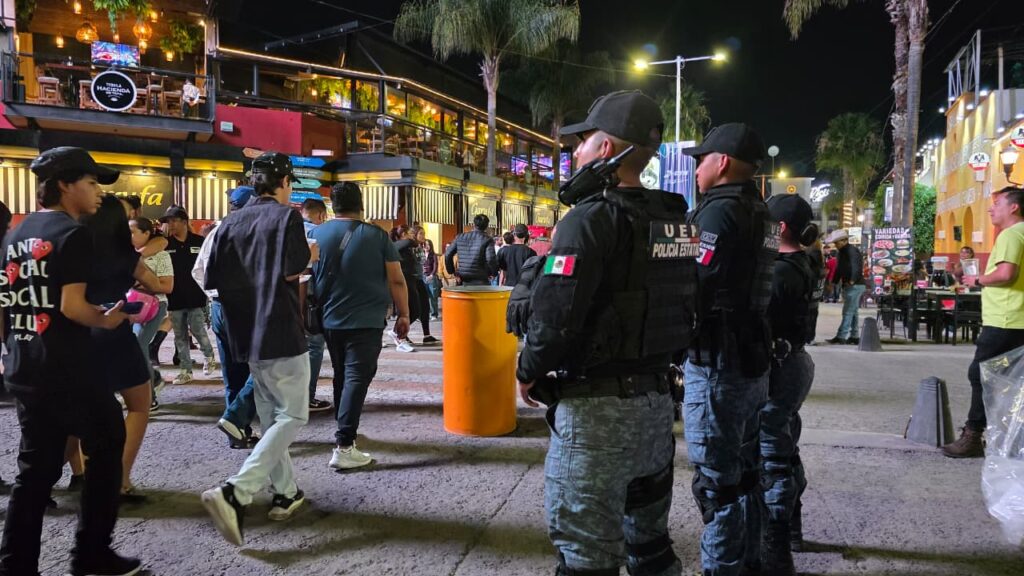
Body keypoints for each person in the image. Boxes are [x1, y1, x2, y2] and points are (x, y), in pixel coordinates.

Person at [517, 90, 694, 576]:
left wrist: (528, 369)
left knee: (586, 559)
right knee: (650, 548)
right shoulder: (673, 218)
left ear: (605, 148)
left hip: (597, 419)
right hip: (657, 409)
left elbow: (555, 316)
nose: (575, 152)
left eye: (583, 141)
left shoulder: (590, 218)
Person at [0, 147, 142, 576]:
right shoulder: (72, 233)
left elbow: (11, 304)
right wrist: (108, 318)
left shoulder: (17, 234)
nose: (99, 192)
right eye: (91, 182)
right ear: (64, 185)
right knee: (108, 444)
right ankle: (91, 553)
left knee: (34, 471)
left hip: (25, 363)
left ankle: (15, 565)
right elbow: (72, 306)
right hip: (68, 368)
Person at [681, 122, 778, 576]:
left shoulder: (718, 213)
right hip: (752, 357)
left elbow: (695, 283)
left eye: (701, 160)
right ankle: (751, 561)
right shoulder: (763, 213)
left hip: (718, 362)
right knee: (747, 472)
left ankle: (722, 568)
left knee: (716, 485)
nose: (697, 169)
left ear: (721, 162)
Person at [200, 152, 313, 544]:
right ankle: (236, 491)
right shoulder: (286, 217)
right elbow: (293, 269)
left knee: (270, 415)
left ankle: (286, 492)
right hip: (279, 326)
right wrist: (310, 256)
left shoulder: (229, 222)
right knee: (293, 415)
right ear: (285, 183)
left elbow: (211, 278)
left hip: (244, 332)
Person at [310, 182, 410, 470]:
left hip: (329, 319)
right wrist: (403, 314)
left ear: (333, 206)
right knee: (357, 376)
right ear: (361, 204)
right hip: (366, 320)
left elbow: (306, 276)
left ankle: (344, 426)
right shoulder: (377, 236)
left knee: (342, 373)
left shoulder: (316, 234)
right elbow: (396, 279)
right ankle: (344, 444)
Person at [84, 195, 164, 503]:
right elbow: (155, 284)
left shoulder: (74, 248)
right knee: (139, 404)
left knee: (87, 406)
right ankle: (119, 479)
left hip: (78, 331)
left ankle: (82, 473)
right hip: (114, 329)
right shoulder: (123, 254)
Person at [759, 194, 819, 574]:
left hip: (780, 367)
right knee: (785, 447)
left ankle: (777, 546)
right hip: (795, 361)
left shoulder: (780, 272)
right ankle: (791, 526)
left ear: (779, 228)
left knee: (773, 458)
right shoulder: (805, 263)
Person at [943, 186, 1024, 458]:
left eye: (998, 204)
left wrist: (977, 279)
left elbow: (1006, 274)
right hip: (1018, 318)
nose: (991, 208)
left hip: (1005, 318)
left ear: (1014, 207)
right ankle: (1011, 438)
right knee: (1012, 378)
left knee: (980, 374)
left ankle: (973, 435)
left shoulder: (1011, 234)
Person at [193, 187, 260, 450]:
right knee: (266, 365)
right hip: (243, 307)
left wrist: (213, 296)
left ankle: (238, 432)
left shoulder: (216, 231)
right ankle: (236, 418)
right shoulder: (247, 231)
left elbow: (198, 270)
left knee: (232, 371)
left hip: (219, 307)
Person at [160, 205, 217, 383]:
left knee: (198, 331)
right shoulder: (165, 244)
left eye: (174, 220)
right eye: (168, 222)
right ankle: (186, 370)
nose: (170, 224)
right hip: (175, 298)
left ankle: (209, 356)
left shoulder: (199, 241)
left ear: (184, 222)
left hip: (196, 297)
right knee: (180, 336)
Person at [129, 217, 174, 412]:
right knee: (132, 347)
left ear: (147, 233)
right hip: (132, 306)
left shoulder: (161, 256)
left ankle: (150, 397)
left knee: (139, 346)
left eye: (133, 232)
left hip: (154, 307)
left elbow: (167, 286)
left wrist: (142, 284)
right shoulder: (128, 255)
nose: (129, 236)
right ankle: (154, 378)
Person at [300, 197, 333, 412]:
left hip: (281, 296)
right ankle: (307, 397)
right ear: (321, 215)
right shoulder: (317, 234)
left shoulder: (288, 229)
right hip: (310, 296)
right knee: (314, 345)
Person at [825, 229, 865, 345]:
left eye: (837, 242)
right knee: (853, 312)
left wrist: (852, 280)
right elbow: (838, 269)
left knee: (847, 311)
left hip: (855, 285)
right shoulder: (841, 252)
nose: (835, 245)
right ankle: (854, 336)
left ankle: (841, 336)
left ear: (844, 240)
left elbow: (857, 266)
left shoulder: (852, 251)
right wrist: (833, 282)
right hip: (852, 284)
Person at [444, 214, 497, 286]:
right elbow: (490, 259)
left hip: (463, 277)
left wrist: (452, 271)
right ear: (487, 226)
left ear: (474, 224)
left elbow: (448, 254)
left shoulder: (460, 237)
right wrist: (494, 273)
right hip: (481, 278)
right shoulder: (487, 239)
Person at [804, 236, 825, 345]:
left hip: (810, 288)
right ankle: (810, 337)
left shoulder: (809, 256)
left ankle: (807, 338)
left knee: (808, 314)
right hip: (816, 289)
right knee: (813, 314)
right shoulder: (819, 256)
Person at [418, 228, 441, 320]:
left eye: (428, 245)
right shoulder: (421, 254)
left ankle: (434, 314)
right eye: (425, 244)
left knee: (433, 297)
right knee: (424, 297)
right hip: (423, 276)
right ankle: (425, 314)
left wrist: (432, 275)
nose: (426, 246)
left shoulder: (433, 255)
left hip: (431, 277)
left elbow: (435, 265)